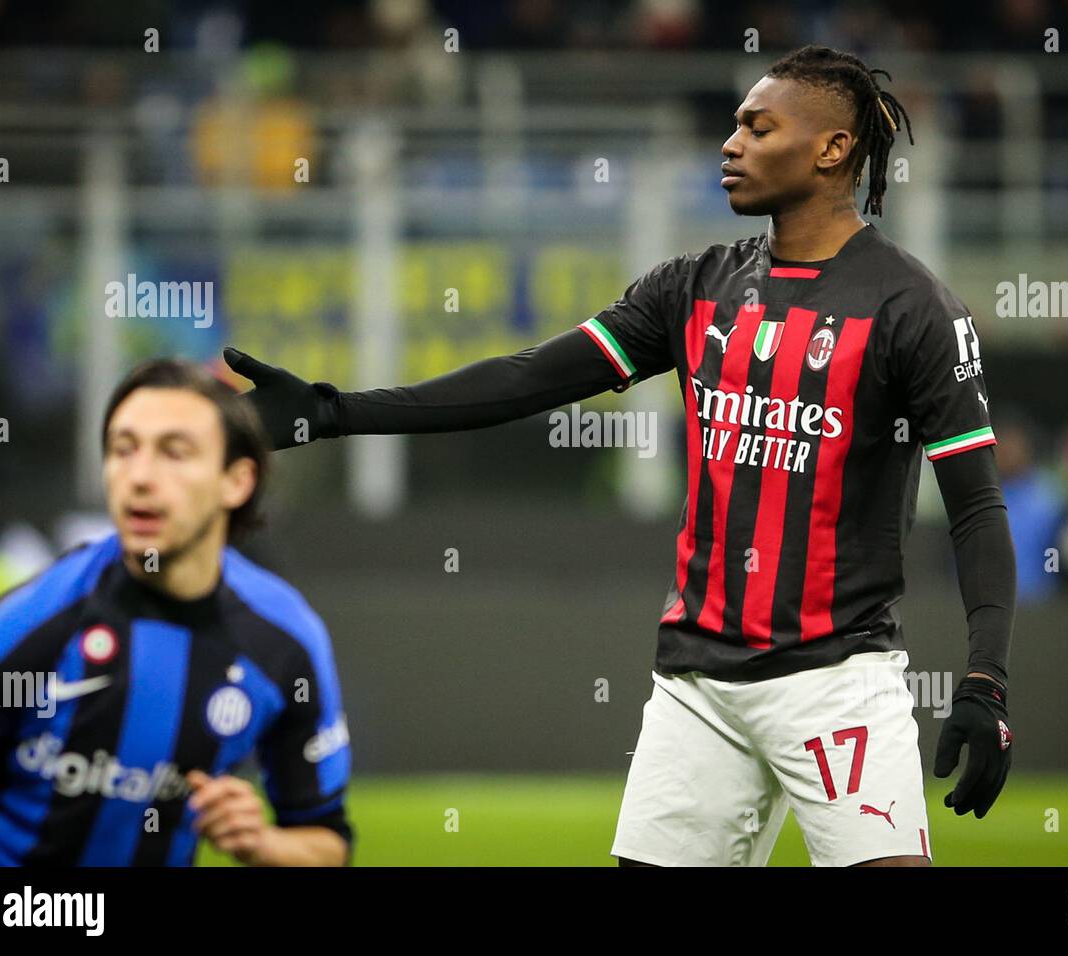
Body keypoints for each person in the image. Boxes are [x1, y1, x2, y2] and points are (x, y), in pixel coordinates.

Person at [225, 44, 1015, 867]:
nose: (730, 143)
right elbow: (524, 380)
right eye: (734, 126)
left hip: (836, 681)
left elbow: (977, 506)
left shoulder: (914, 309)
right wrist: (333, 410)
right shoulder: (695, 286)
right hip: (697, 686)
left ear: (831, 149)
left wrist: (986, 680)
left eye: (757, 126)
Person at [0, 359, 352, 866]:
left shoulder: (285, 639)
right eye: (123, 449)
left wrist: (262, 843)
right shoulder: (40, 620)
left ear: (237, 481)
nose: (139, 477)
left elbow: (326, 844)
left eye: (174, 452)